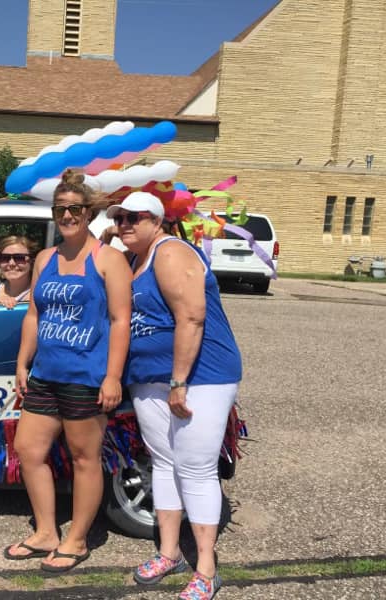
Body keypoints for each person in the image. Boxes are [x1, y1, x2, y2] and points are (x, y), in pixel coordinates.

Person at [108, 192, 242, 599]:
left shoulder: (169, 252)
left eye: (134, 217)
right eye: (119, 218)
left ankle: (206, 568)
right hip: (149, 378)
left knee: (195, 468)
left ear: (157, 220)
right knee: (164, 463)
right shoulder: (134, 260)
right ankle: (170, 553)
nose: (124, 224)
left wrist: (179, 381)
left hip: (199, 377)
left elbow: (192, 316)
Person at [4, 169, 131, 572]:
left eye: (75, 209)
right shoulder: (45, 258)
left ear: (88, 212)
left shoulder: (109, 259)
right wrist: (22, 362)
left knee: (84, 458)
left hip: (86, 376)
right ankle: (46, 532)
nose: (67, 216)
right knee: (28, 450)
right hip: (45, 374)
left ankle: (76, 540)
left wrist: (113, 376)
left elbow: (121, 321)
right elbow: (34, 314)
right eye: (60, 209)